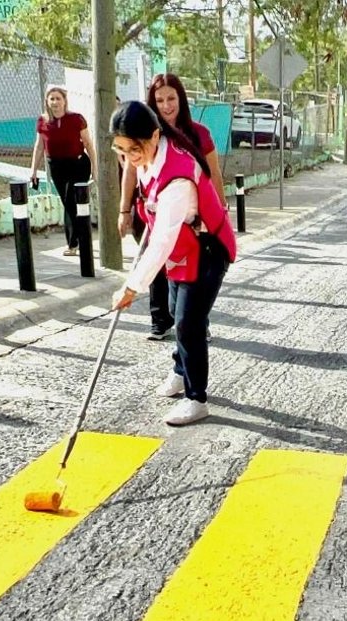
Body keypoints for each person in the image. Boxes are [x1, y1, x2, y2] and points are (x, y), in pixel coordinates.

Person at [109, 101, 237, 426]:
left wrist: (131, 287)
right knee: (173, 305)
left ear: (154, 136)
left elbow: (163, 238)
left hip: (207, 249)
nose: (129, 158)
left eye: (133, 149)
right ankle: (181, 370)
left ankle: (197, 398)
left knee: (188, 323)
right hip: (184, 249)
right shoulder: (146, 158)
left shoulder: (177, 175)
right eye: (121, 150)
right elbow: (159, 226)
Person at [119, 74, 227, 341]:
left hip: (192, 221)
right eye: (159, 100)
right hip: (152, 210)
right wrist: (124, 210)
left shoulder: (199, 134)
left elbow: (214, 175)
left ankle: (193, 323)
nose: (166, 106)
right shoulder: (146, 135)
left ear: (181, 99)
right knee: (156, 263)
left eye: (171, 99)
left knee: (191, 279)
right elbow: (131, 173)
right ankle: (161, 320)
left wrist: (221, 212)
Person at [29, 86, 99, 256]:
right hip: (57, 167)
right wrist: (33, 171)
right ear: (47, 101)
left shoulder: (76, 119)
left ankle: (74, 243)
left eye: (58, 98)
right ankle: (80, 239)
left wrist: (95, 170)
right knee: (68, 204)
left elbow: (88, 144)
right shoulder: (43, 121)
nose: (55, 102)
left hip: (78, 164)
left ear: (64, 101)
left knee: (72, 200)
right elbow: (39, 147)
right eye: (51, 98)